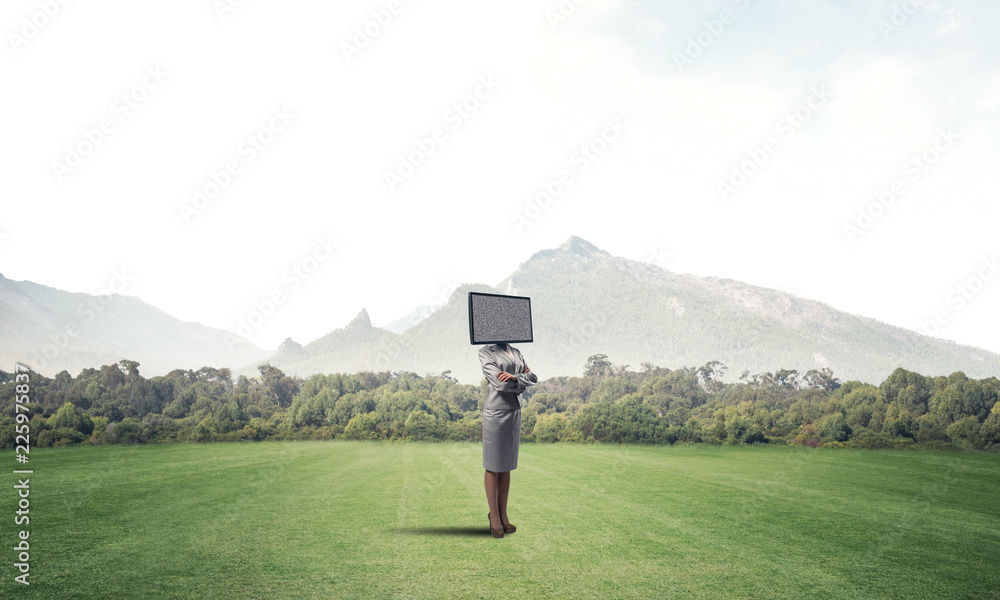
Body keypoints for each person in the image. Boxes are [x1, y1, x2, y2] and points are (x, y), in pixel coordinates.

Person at [478, 341, 537, 538]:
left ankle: (503, 515)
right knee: (493, 464)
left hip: (514, 412)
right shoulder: (486, 352)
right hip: (496, 413)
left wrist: (515, 377)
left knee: (507, 465)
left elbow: (533, 377)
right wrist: (521, 381)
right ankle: (493, 516)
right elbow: (500, 384)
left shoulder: (516, 351)